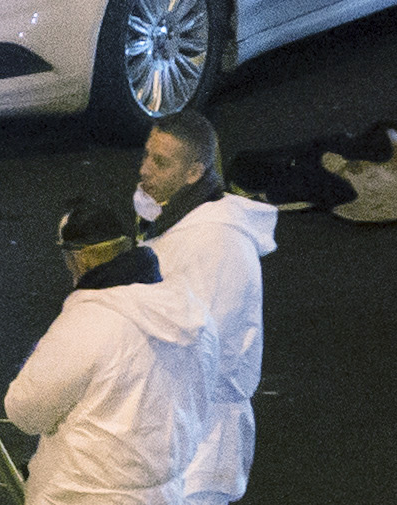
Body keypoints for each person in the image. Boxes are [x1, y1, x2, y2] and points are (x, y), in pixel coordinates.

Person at [5, 200, 216, 505]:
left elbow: (24, 410)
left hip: (82, 493)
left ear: (78, 259)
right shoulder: (191, 314)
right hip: (165, 493)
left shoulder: (88, 322)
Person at [136, 112, 278, 505]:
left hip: (203, 437)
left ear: (194, 172)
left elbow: (202, 349)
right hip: (179, 429)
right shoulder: (182, 220)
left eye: (161, 162)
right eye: (147, 155)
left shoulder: (216, 243)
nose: (145, 169)